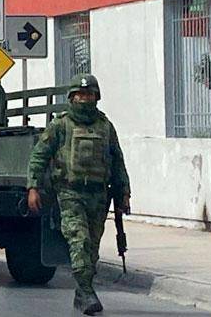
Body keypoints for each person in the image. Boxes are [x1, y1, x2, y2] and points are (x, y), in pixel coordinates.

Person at [26, 74, 132, 315]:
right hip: (69, 193)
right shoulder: (60, 125)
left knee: (92, 248)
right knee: (79, 240)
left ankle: (82, 292)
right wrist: (32, 187)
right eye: (80, 95)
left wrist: (124, 192)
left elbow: (117, 161)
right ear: (72, 97)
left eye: (89, 95)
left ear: (96, 97)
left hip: (98, 195)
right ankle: (86, 292)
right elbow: (39, 156)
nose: (85, 99)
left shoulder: (105, 126)